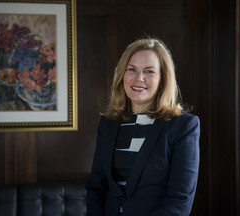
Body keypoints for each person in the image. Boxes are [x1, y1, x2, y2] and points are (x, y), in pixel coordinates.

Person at [85, 37, 200, 216]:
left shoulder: (183, 126)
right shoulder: (108, 124)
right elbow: (95, 187)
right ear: (122, 75)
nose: (139, 78)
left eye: (149, 71)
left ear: (163, 79)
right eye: (132, 70)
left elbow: (180, 201)